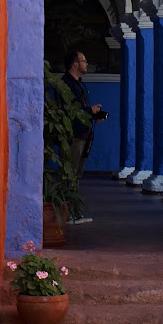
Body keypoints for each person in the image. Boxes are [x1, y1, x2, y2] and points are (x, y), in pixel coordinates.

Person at [61, 50, 103, 224]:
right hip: (73, 135)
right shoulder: (65, 84)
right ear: (75, 64)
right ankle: (67, 214)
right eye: (84, 61)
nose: (87, 64)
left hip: (84, 134)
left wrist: (94, 115)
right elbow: (68, 110)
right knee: (68, 174)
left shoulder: (80, 84)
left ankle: (74, 212)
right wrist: (89, 111)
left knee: (76, 175)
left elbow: (81, 108)